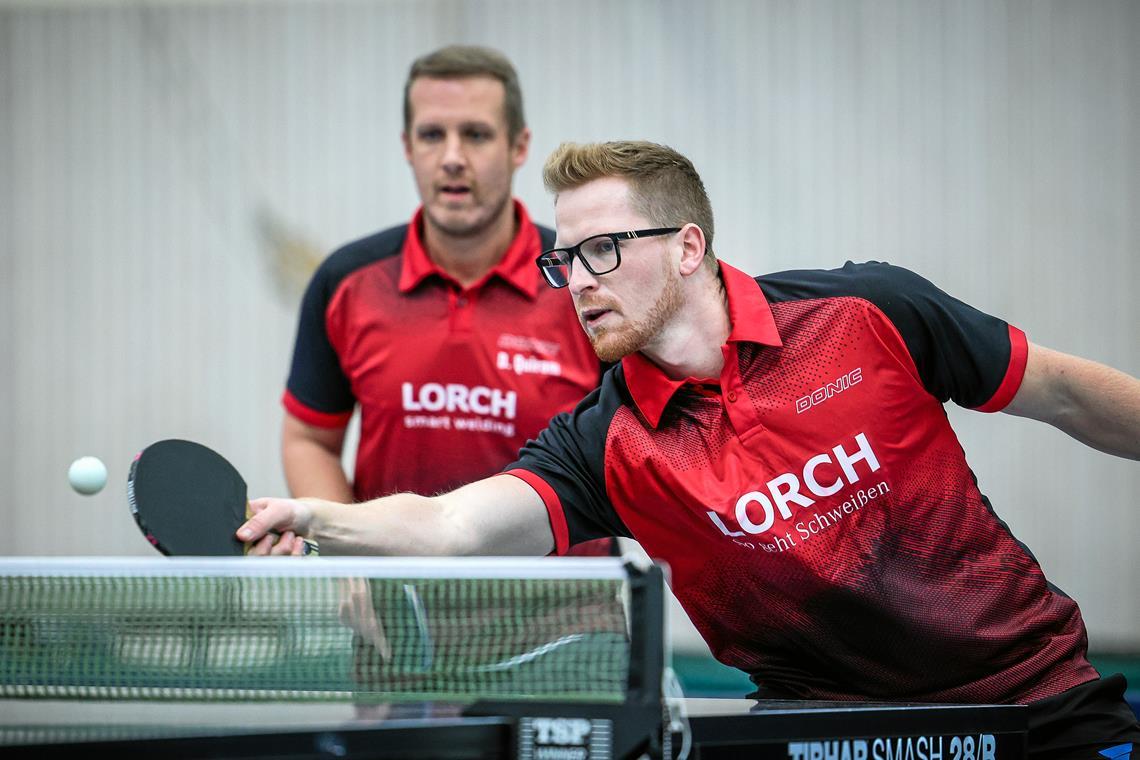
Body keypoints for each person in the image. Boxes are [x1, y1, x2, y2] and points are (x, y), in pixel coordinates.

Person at [247, 140, 1140, 757]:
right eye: (566, 262)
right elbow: (448, 527)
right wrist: (315, 518)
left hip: (1036, 705)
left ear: (687, 247)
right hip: (822, 738)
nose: (579, 283)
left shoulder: (866, 314)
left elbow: (1062, 392)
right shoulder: (606, 442)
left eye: (603, 250)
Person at [279, 45, 612, 555]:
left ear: (519, 146)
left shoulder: (583, 277)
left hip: (567, 617)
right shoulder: (347, 281)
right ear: (408, 147)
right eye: (432, 135)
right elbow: (309, 440)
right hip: (394, 611)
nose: (453, 157)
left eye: (476, 135)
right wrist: (341, 555)